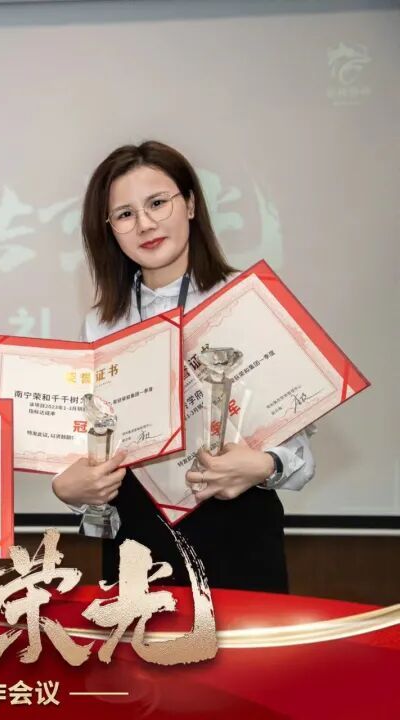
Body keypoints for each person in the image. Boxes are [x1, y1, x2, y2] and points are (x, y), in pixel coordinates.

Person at [53, 140, 314, 593]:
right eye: (125, 214)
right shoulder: (100, 323)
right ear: (110, 229)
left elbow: (300, 453)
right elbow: (88, 448)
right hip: (137, 540)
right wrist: (74, 490)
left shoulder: (247, 301)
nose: (145, 224)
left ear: (190, 204)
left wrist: (262, 465)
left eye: (158, 203)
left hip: (238, 528)